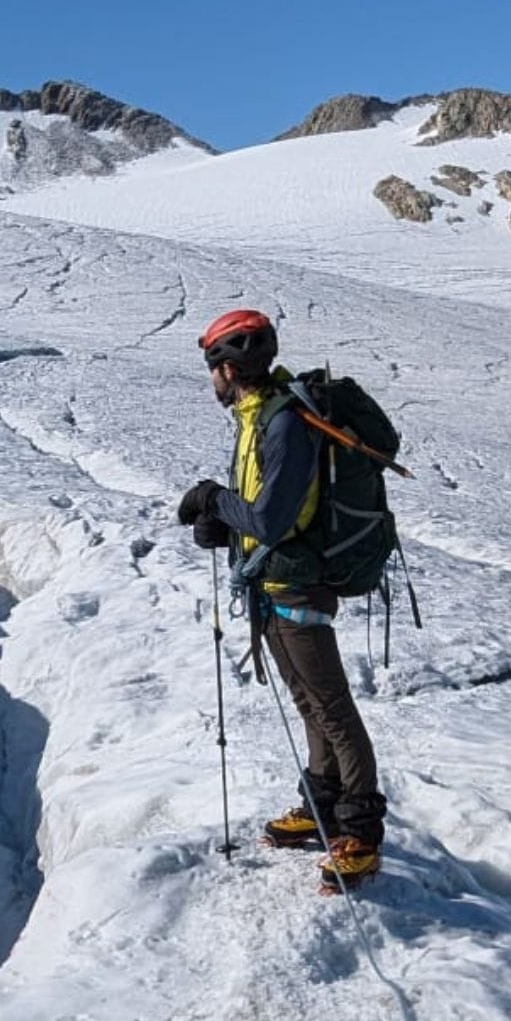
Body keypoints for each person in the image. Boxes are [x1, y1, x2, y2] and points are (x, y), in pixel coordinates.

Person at [176, 308, 386, 886]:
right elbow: (260, 506)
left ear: (230, 365)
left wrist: (213, 500)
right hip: (271, 579)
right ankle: (321, 809)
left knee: (333, 708)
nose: (211, 377)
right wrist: (224, 520)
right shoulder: (255, 417)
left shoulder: (284, 421)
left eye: (213, 365)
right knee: (308, 702)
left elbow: (271, 517)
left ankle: (362, 833)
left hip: (296, 580)